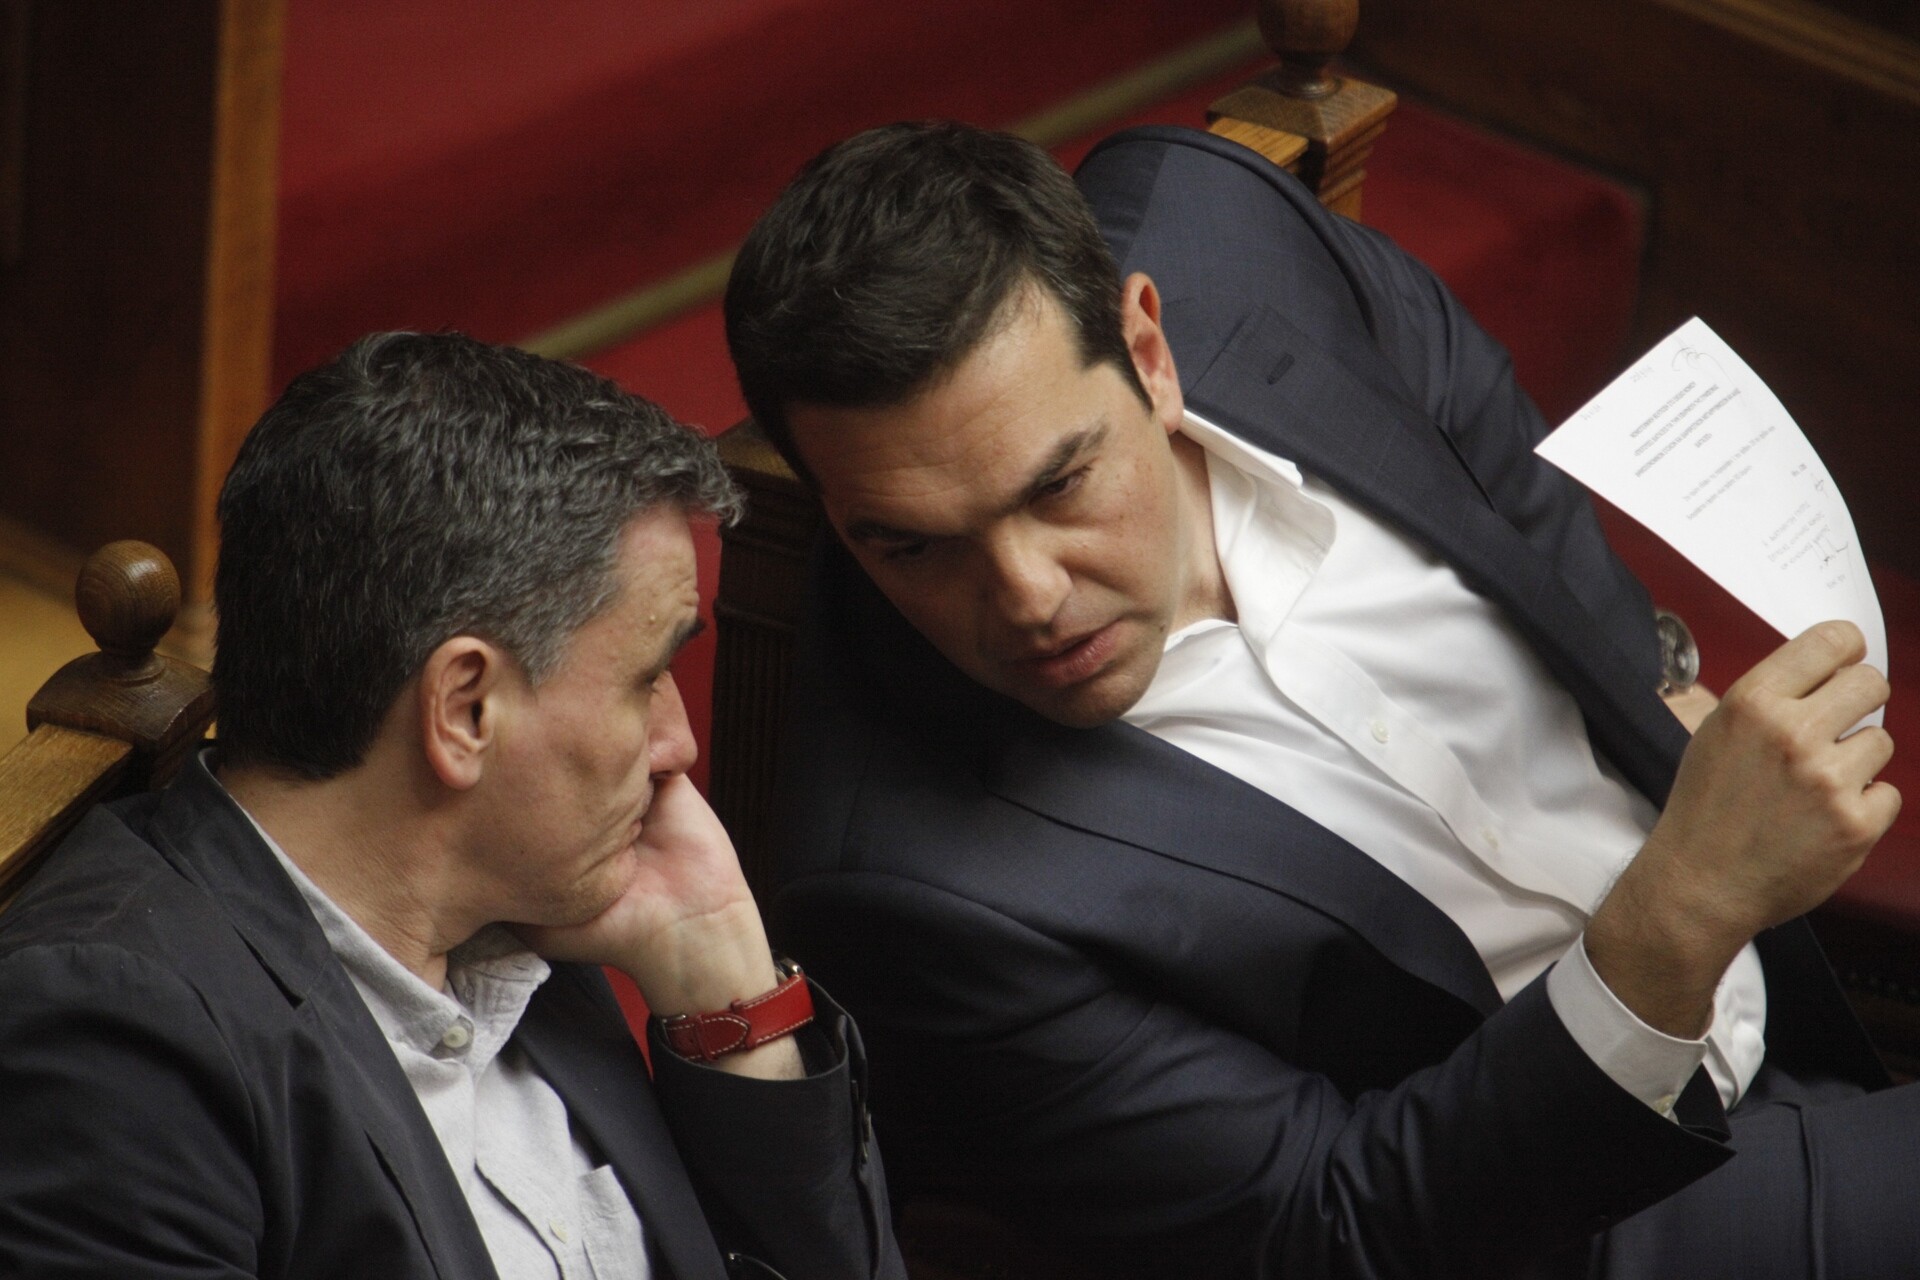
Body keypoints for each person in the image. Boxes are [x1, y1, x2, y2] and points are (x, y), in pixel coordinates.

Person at [721, 121, 1907, 1278]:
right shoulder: (917, 899)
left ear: (1149, 352)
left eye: (1061, 484)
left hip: (1793, 993)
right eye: (913, 545)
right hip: (1565, 1217)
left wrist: (1649, 674)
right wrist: (1686, 907)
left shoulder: (1229, 230)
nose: (1029, 597)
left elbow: (1479, 418)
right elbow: (1328, 1227)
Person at [0, 332, 906, 1280]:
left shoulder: (527, 894)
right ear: (466, 709)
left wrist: (724, 985)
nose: (677, 745)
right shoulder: (116, 1044)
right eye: (648, 678)